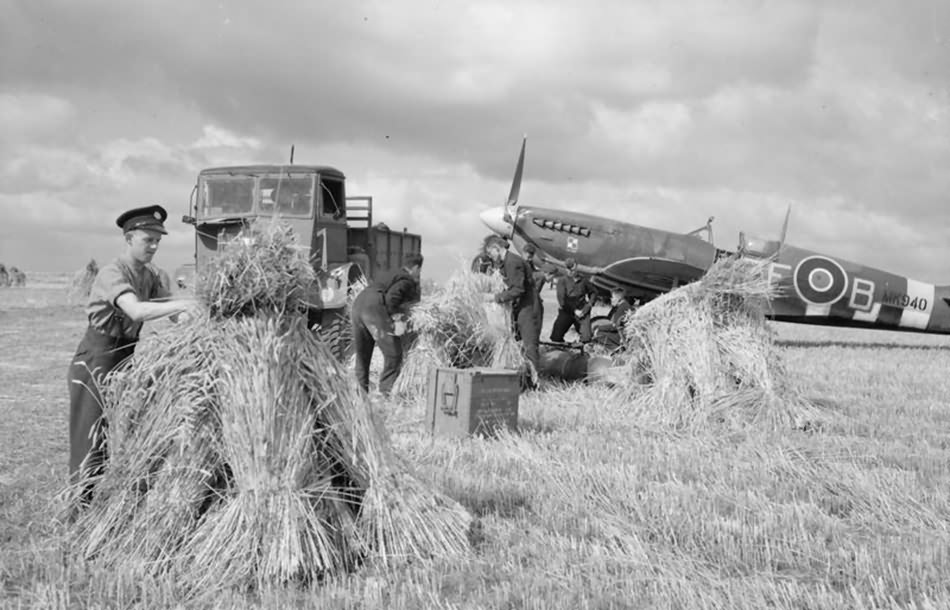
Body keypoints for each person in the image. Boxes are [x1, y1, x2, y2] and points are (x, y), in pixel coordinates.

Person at [68, 205, 198, 512]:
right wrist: (185, 303)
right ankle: (77, 509)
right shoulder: (112, 273)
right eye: (147, 240)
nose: (153, 246)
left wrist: (199, 319)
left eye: (157, 241)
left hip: (126, 356)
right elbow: (137, 311)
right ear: (129, 239)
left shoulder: (151, 275)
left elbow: (173, 312)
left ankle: (103, 503)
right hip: (97, 358)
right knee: (90, 436)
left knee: (118, 432)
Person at [351, 253, 424, 397]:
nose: (419, 274)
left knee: (363, 355)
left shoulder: (392, 274)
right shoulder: (406, 279)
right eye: (419, 270)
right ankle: (384, 394)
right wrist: (397, 320)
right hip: (372, 308)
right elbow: (392, 298)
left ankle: (360, 396)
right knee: (394, 353)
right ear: (415, 268)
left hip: (357, 305)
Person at [483, 235, 540, 390]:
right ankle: (523, 380)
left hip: (528, 308)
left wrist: (496, 297)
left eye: (491, 253)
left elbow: (518, 289)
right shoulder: (506, 263)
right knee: (519, 344)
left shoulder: (513, 262)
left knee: (529, 346)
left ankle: (533, 384)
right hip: (521, 307)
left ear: (497, 248)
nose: (491, 257)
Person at [550, 258, 594, 344]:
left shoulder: (584, 280)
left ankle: (582, 348)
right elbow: (562, 301)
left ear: (576, 267)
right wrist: (574, 311)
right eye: (568, 269)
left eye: (572, 269)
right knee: (555, 337)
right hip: (567, 311)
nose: (570, 272)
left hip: (582, 311)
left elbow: (593, 292)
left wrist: (589, 305)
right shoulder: (562, 281)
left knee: (587, 339)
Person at [593, 287, 634, 351]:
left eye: (612, 297)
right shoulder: (626, 305)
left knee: (598, 334)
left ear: (618, 299)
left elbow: (615, 326)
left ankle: (617, 349)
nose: (611, 299)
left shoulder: (621, 308)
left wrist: (599, 328)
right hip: (626, 335)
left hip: (622, 337)